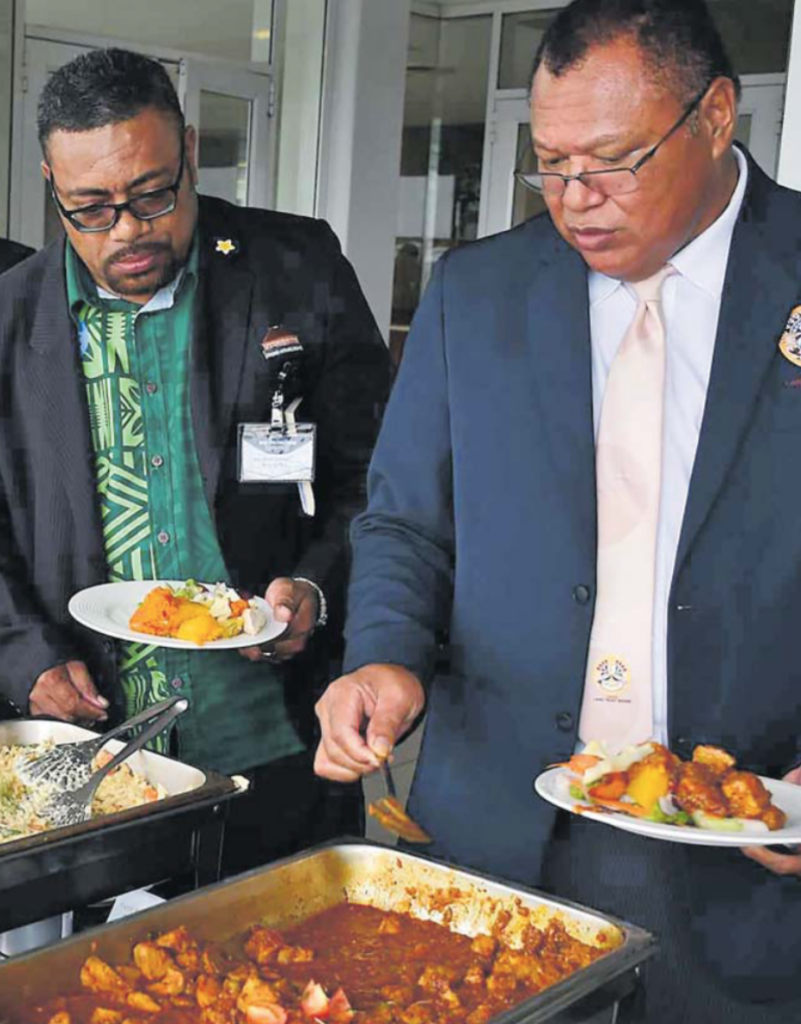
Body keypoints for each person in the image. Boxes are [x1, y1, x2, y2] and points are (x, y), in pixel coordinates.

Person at [314, 0, 801, 1020]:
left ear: (716, 116)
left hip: (750, 855)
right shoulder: (478, 293)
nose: (577, 200)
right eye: (551, 164)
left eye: (614, 162)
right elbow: (407, 521)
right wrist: (384, 655)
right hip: (498, 829)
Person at [0, 47, 390, 874]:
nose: (128, 230)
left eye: (152, 194)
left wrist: (316, 584)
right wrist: (24, 656)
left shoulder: (295, 269)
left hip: (274, 735)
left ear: (189, 149)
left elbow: (376, 474)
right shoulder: (7, 318)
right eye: (90, 208)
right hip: (94, 752)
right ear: (50, 183)